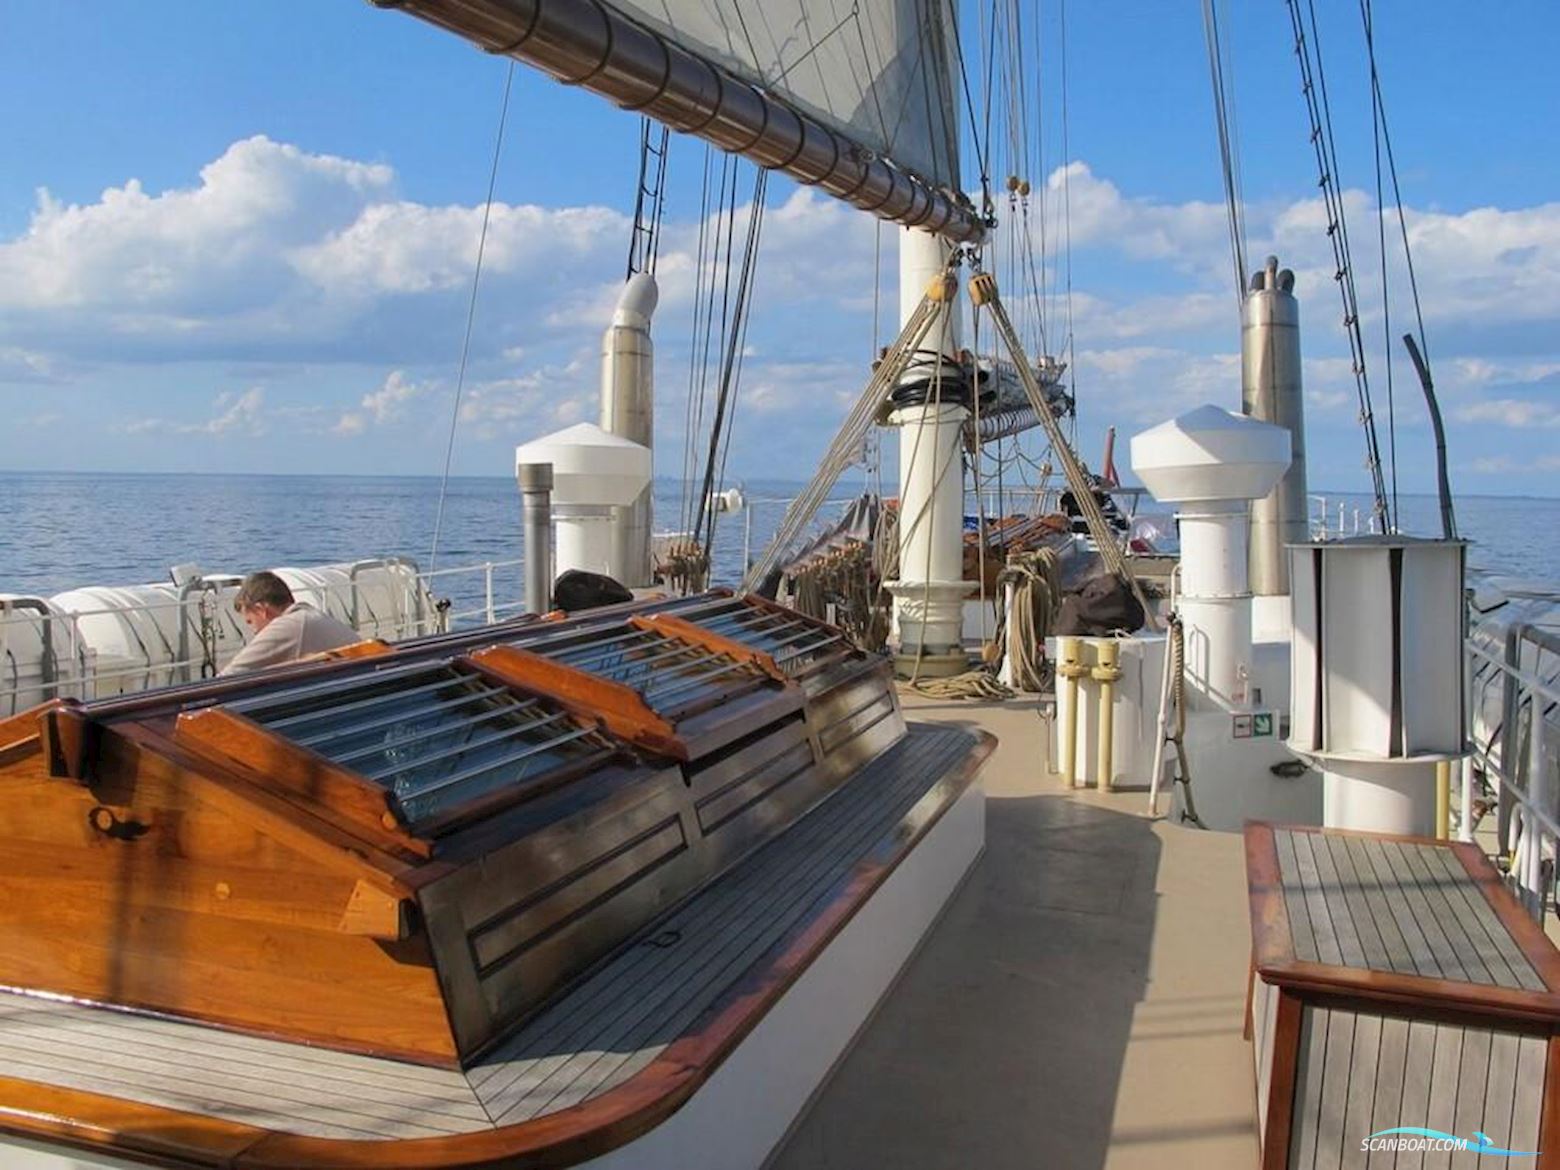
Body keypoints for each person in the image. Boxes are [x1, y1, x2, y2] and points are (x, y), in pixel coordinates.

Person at [221, 571, 363, 675]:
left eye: (250, 621)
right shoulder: (309, 617)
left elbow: (229, 676)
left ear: (261, 610)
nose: (254, 631)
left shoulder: (290, 625)